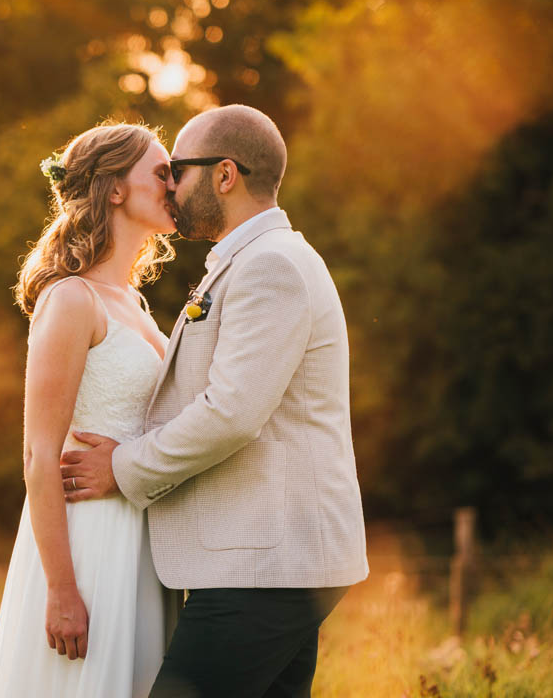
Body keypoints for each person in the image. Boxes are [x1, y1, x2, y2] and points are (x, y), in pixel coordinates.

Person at [61, 104, 369, 697]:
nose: (169, 184)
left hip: (262, 568)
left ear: (225, 175)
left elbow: (230, 414)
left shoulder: (269, 266)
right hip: (271, 564)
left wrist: (121, 468)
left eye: (178, 168)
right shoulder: (247, 261)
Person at [0, 122, 181, 698]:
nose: (175, 185)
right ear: (115, 189)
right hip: (88, 544)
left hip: (141, 539)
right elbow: (40, 455)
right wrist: (62, 589)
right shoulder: (70, 299)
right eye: (162, 172)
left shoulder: (136, 305)